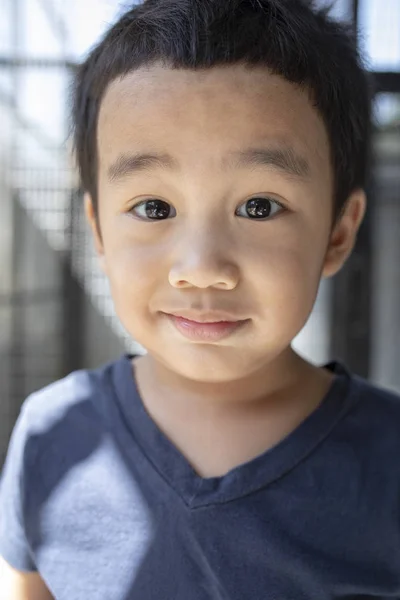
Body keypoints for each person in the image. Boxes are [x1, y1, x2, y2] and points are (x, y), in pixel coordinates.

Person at [1, 0, 400, 598]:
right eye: (154, 208)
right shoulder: (51, 434)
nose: (202, 269)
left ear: (337, 234)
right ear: (100, 231)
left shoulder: (389, 460)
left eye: (259, 206)